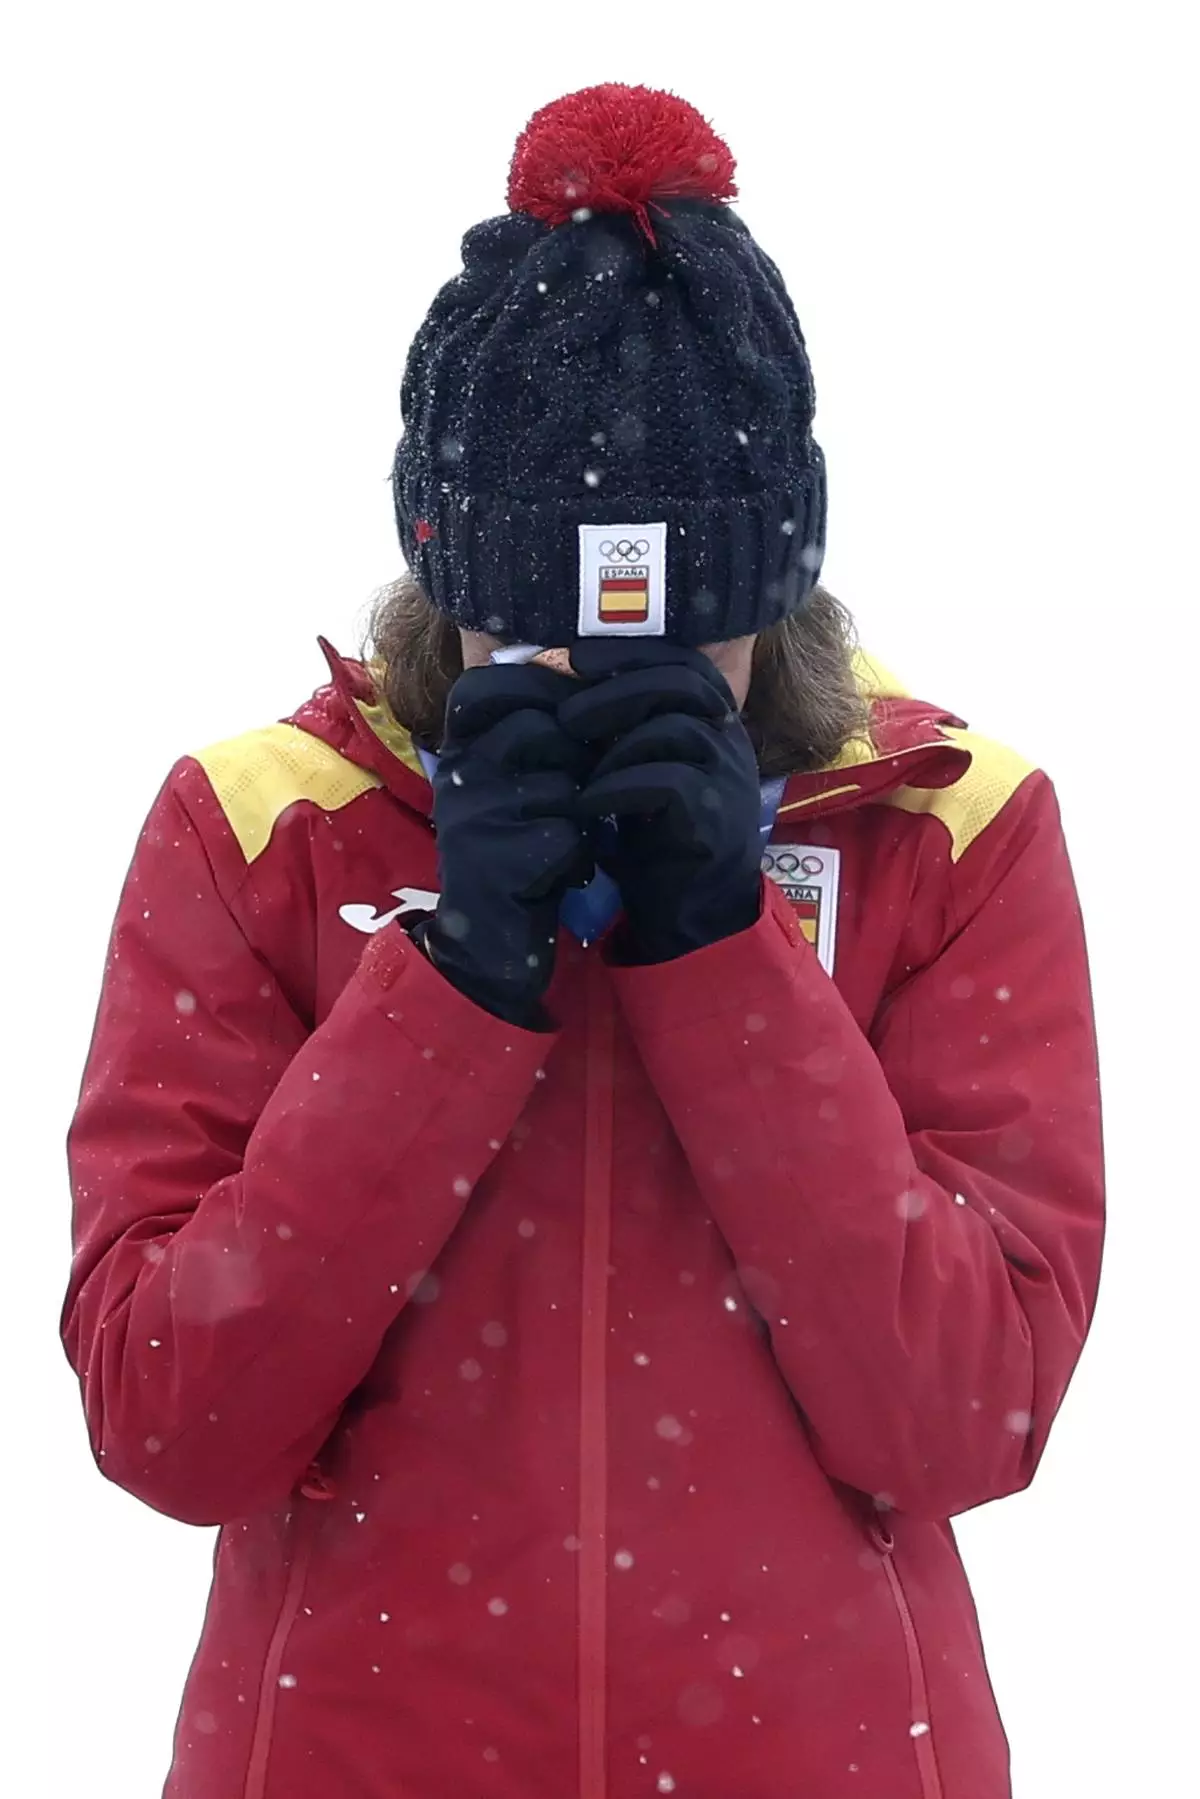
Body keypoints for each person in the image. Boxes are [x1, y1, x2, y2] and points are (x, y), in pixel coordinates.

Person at [62, 82, 1104, 1799]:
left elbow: (962, 1415)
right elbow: (170, 1417)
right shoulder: (257, 832)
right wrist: (450, 982)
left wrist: (724, 957)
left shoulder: (948, 833)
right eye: (533, 621)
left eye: (681, 632)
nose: (603, 681)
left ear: (774, 590)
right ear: (447, 579)